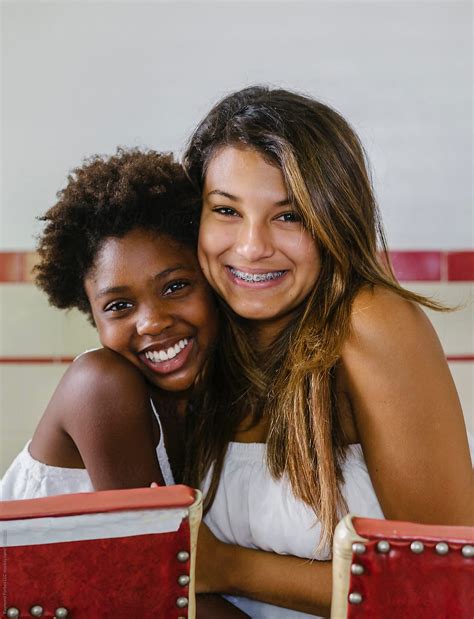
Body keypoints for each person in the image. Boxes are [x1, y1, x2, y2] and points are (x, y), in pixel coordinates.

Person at [183, 86, 474, 618]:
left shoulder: (369, 323)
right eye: (226, 210)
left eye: (289, 216)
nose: (251, 246)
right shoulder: (198, 343)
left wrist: (226, 566)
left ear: (334, 221)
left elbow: (447, 583)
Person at [1, 148, 217, 498]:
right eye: (119, 305)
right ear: (92, 313)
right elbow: (160, 546)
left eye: (175, 287)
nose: (152, 323)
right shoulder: (101, 384)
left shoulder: (207, 396)